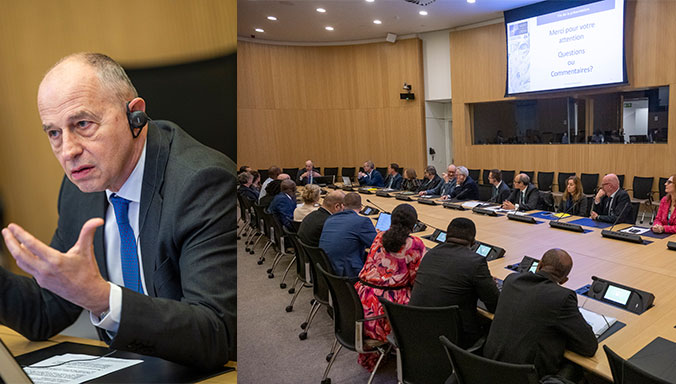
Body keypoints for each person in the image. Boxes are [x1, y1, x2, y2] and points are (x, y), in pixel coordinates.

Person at [0, 53, 235, 367]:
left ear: (134, 115)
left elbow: (217, 333)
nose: (68, 150)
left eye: (82, 124)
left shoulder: (202, 184)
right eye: (54, 133)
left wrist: (100, 296)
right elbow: (47, 311)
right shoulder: (80, 186)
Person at [484, 249, 597, 380]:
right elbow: (589, 347)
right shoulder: (562, 298)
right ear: (564, 280)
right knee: (577, 369)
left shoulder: (511, 280)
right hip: (526, 378)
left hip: (488, 369)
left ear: (539, 264)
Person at [354, 204, 426, 371]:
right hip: (387, 307)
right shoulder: (415, 244)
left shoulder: (380, 236)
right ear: (413, 224)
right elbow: (417, 279)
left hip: (361, 300)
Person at [410, 218, 499, 348]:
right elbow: (495, 305)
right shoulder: (476, 262)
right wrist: (489, 284)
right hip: (454, 340)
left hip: (415, 331)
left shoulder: (430, 253)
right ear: (474, 242)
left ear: (446, 236)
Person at [319, 193, 377, 277]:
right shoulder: (362, 221)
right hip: (348, 273)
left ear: (342, 205)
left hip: (328, 270)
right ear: (361, 208)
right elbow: (375, 245)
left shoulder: (330, 219)